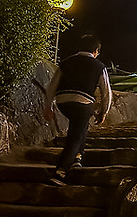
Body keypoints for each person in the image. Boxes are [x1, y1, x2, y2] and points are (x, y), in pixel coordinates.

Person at [43, 34, 112, 186]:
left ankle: (78, 157)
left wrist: (48, 106)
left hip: (63, 102)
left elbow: (52, 86)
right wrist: (104, 112)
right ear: (96, 50)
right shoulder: (99, 66)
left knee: (80, 127)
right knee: (75, 136)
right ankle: (61, 172)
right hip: (83, 103)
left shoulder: (66, 62)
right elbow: (106, 92)